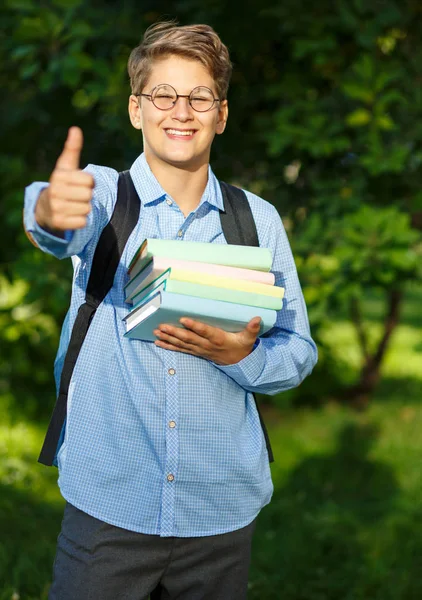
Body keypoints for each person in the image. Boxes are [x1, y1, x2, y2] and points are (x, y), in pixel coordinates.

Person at [23, 21, 317, 600]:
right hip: (109, 508)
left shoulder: (256, 221)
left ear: (221, 114)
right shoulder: (106, 198)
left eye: (199, 96)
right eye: (163, 95)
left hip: (220, 515)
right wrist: (51, 210)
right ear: (137, 109)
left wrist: (246, 355)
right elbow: (56, 219)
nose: (180, 111)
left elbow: (299, 351)